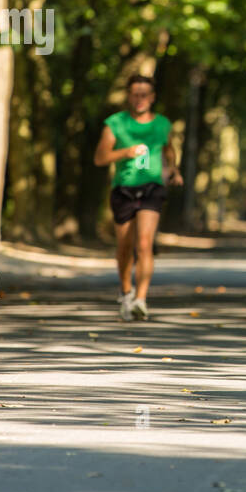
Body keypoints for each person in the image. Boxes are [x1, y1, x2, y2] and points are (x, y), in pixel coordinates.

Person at [92, 74, 182, 320]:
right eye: (135, 94)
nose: (140, 99)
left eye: (144, 95)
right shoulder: (115, 124)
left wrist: (173, 169)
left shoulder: (162, 124)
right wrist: (125, 152)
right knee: (124, 247)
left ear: (152, 98)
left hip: (152, 187)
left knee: (144, 243)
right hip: (123, 189)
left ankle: (141, 299)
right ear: (129, 96)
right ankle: (126, 291)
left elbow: (168, 149)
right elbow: (100, 158)